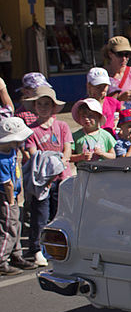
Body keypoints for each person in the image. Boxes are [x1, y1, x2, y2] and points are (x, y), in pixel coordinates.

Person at [23, 86, 71, 265]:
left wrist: (61, 163)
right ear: (34, 106)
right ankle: (37, 248)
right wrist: (49, 167)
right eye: (39, 104)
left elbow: (67, 148)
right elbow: (33, 154)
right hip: (42, 182)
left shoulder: (62, 126)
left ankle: (58, 245)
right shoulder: (31, 131)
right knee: (40, 214)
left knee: (60, 213)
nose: (43, 107)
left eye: (47, 104)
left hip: (61, 177)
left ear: (53, 107)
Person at [0, 117, 37, 275]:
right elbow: (7, 183)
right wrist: (11, 200)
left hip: (14, 195)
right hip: (7, 197)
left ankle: (16, 255)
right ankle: (2, 260)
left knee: (17, 225)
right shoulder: (2, 158)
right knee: (8, 227)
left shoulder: (11, 151)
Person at [71, 98, 116, 163]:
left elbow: (113, 156)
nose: (86, 119)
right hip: (84, 171)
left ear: (99, 117)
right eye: (83, 116)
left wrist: (102, 153)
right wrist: (80, 157)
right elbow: (69, 157)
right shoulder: (76, 136)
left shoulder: (106, 135)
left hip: (102, 170)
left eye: (90, 116)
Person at [85, 67, 124, 136]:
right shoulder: (84, 104)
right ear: (89, 86)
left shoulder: (113, 102)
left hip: (111, 137)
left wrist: (117, 123)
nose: (102, 89)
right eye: (98, 87)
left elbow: (124, 113)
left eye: (105, 86)